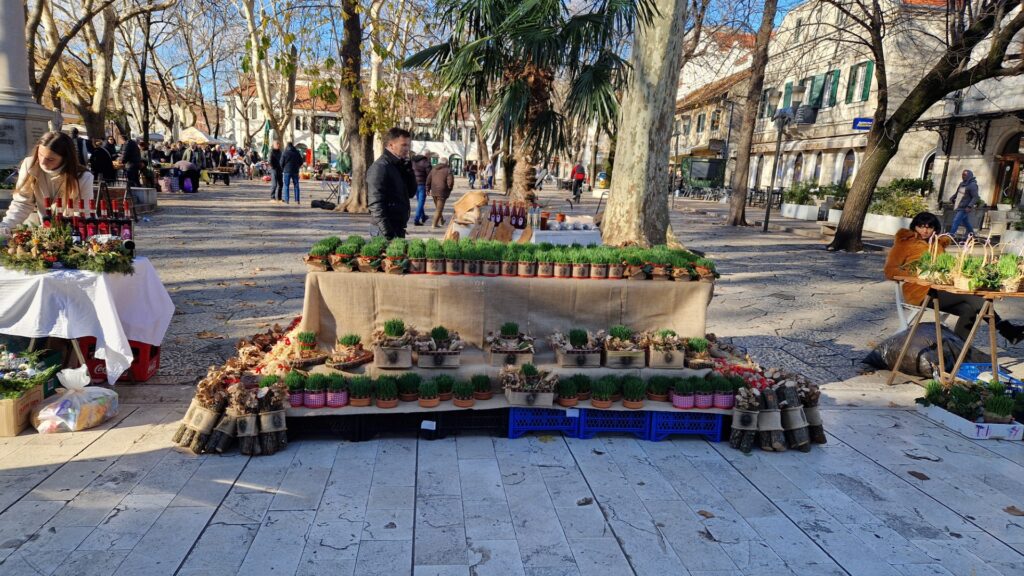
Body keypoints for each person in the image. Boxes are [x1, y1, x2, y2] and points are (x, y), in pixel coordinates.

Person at [884, 211, 1024, 343]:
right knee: (974, 297)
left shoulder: (938, 244)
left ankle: (957, 349)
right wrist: (920, 273)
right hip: (918, 292)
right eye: (921, 227)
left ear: (935, 228)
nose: (925, 231)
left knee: (969, 310)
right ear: (914, 226)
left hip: (940, 289)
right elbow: (890, 271)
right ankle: (1008, 331)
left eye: (929, 227)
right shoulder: (905, 243)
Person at [0, 131, 94, 234]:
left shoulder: (83, 177)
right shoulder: (29, 165)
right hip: (44, 232)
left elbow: (83, 213)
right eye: (40, 155)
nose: (43, 162)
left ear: (65, 159)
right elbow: (22, 203)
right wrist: (5, 226)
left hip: (72, 232)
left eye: (50, 159)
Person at [367, 127, 416, 239]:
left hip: (398, 227)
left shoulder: (398, 165)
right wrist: (388, 233)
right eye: (404, 145)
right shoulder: (380, 167)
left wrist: (409, 171)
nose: (407, 149)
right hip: (384, 230)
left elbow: (411, 193)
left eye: (408, 145)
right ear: (391, 145)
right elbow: (375, 204)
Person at [948, 169, 979, 240]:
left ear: (969, 175)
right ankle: (972, 235)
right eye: (962, 175)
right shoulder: (961, 184)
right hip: (959, 206)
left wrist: (969, 206)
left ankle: (950, 236)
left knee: (956, 221)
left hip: (965, 208)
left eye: (964, 175)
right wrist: (952, 198)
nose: (963, 176)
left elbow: (975, 197)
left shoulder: (973, 185)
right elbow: (957, 193)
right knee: (966, 222)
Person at [426, 157, 455, 228]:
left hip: (434, 190)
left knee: (438, 208)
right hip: (442, 191)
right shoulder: (448, 170)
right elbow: (450, 182)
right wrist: (449, 189)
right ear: (446, 163)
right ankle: (434, 224)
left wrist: (427, 189)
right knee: (439, 209)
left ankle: (441, 220)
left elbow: (428, 179)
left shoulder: (433, 169)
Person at [410, 153, 433, 226]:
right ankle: (416, 220)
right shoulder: (426, 163)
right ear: (427, 156)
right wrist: (429, 187)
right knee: (421, 202)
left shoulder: (413, 161)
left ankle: (423, 216)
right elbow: (430, 175)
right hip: (422, 184)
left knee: (420, 202)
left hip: (414, 184)